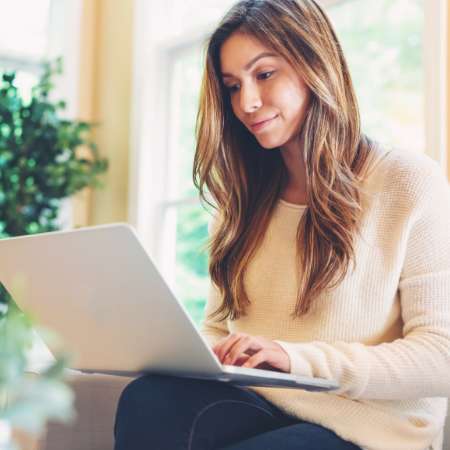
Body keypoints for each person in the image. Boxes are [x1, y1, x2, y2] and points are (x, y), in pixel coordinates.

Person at [114, 0, 450, 449]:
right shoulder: (242, 203)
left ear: (316, 65)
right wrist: (193, 352)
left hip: (365, 426)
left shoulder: (408, 182)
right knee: (148, 399)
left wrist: (295, 359)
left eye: (265, 74)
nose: (246, 103)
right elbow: (218, 329)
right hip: (257, 403)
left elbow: (441, 356)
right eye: (232, 86)